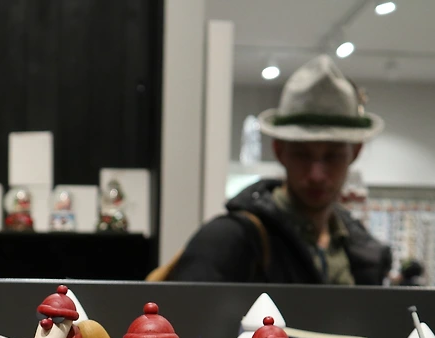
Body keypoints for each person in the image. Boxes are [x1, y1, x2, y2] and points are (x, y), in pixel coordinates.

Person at [160, 55, 391, 284]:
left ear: (356, 152)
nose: (316, 175)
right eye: (302, 155)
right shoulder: (230, 240)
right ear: (280, 151)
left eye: (332, 156)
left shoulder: (361, 248)